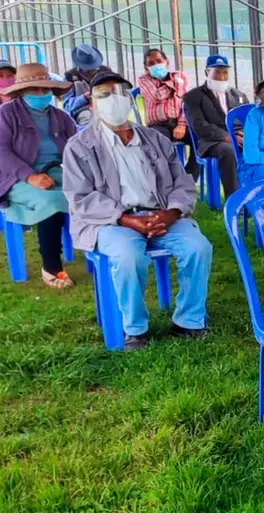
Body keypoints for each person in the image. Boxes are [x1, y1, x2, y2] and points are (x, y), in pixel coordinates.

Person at [63, 71, 213, 351]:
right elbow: (80, 196)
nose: (114, 100)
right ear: (92, 103)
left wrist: (171, 213)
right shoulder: (79, 146)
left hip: (160, 214)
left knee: (198, 248)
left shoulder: (155, 139)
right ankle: (135, 328)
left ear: (131, 100)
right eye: (104, 95)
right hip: (110, 221)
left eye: (120, 93)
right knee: (129, 256)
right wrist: (126, 219)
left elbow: (182, 183)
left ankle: (189, 320)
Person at [0, 63, 77, 288]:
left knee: (91, 194)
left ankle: (101, 250)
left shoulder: (61, 116)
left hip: (60, 171)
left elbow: (78, 144)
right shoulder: (5, 114)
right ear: (22, 91)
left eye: (45, 89)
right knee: (51, 200)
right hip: (16, 176)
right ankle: (51, 265)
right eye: (35, 89)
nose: (41, 94)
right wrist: (30, 176)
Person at [181, 54, 249, 197]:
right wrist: (228, 137)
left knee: (261, 147)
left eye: (225, 72)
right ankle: (234, 200)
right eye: (217, 72)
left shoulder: (239, 96)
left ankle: (256, 195)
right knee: (228, 150)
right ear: (207, 72)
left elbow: (247, 120)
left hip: (239, 137)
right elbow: (199, 126)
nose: (222, 76)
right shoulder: (193, 96)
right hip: (212, 141)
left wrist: (243, 134)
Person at [137, 48, 199, 180]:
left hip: (178, 123)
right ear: (146, 68)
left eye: (159, 61)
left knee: (201, 139)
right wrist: (174, 84)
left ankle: (188, 178)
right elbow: (157, 95)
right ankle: (168, 180)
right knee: (159, 146)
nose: (156, 65)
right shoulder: (144, 80)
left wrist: (181, 124)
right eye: (151, 63)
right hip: (157, 125)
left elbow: (185, 103)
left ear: (167, 62)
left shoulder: (180, 76)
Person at [62, 44, 114, 125]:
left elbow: (118, 92)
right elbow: (67, 106)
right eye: (88, 68)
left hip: (106, 108)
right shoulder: (69, 77)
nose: (92, 70)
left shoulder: (106, 72)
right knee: (87, 121)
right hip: (83, 111)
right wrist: (84, 98)